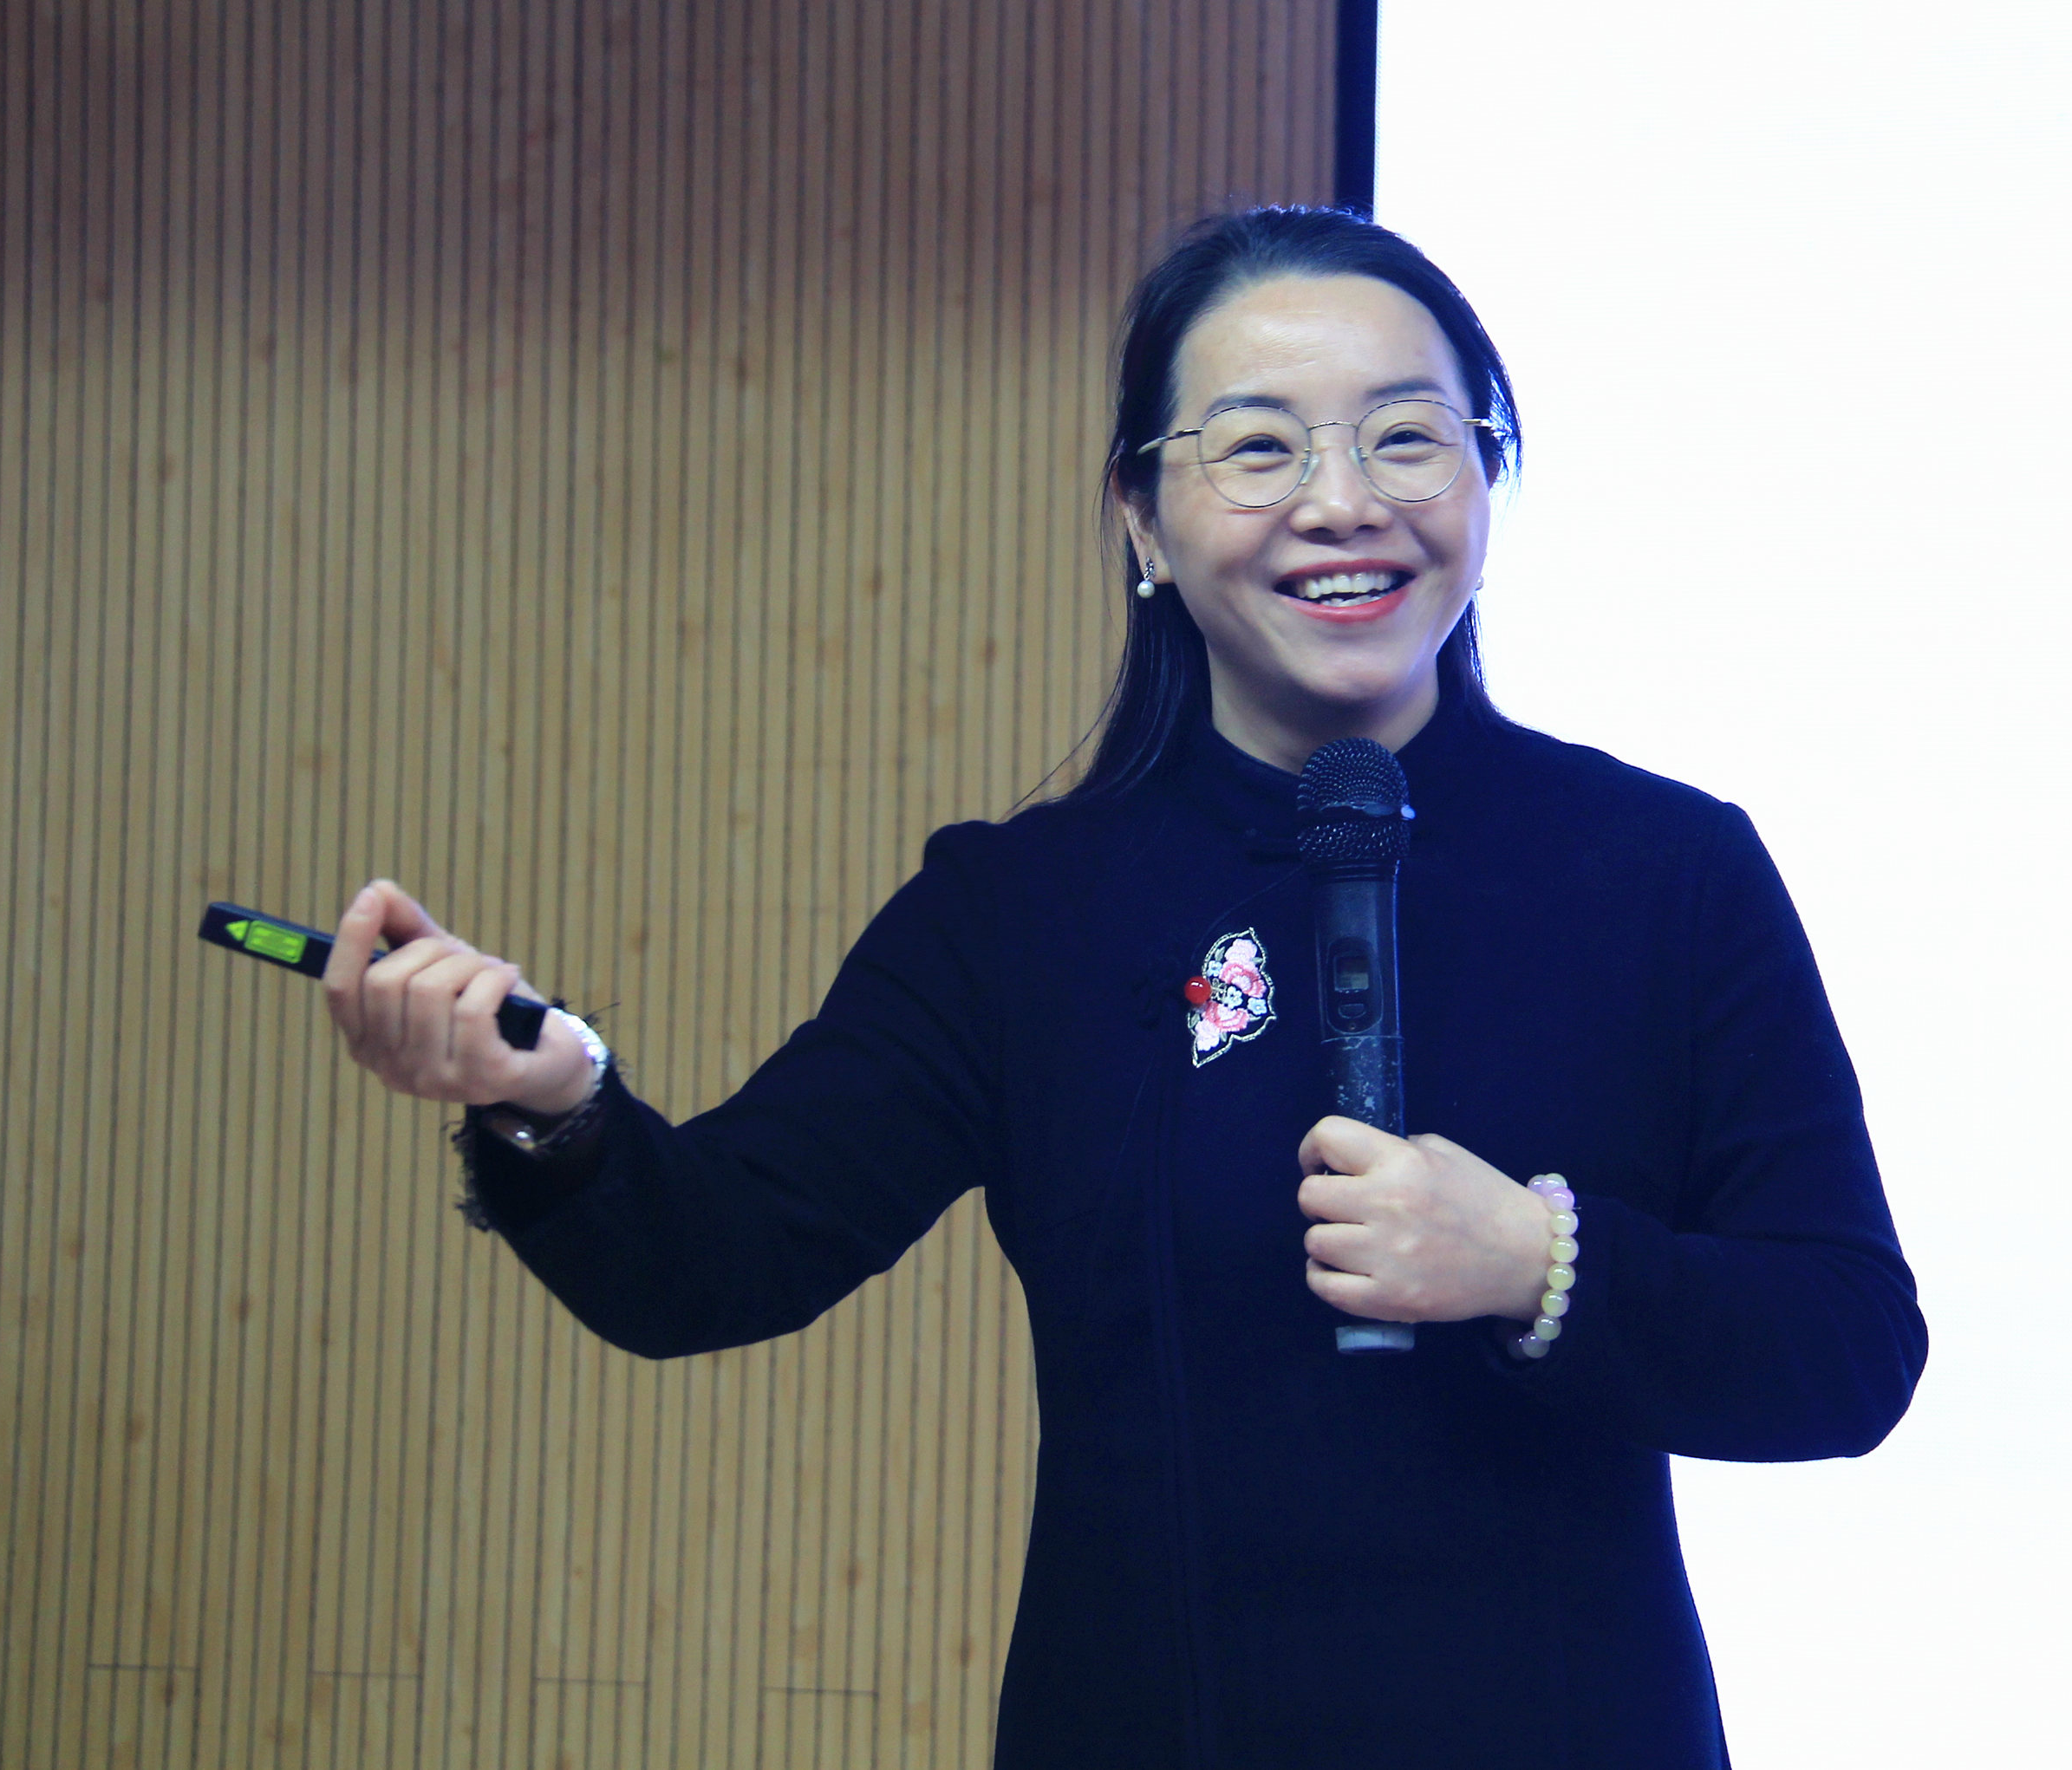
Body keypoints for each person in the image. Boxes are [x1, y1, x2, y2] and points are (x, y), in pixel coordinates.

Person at [324, 206, 1925, 1769]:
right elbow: (715, 1258)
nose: (1342, 502)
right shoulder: (1019, 910)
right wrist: (552, 1104)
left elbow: (1847, 1347)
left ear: (1487, 477)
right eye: (1256, 448)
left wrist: (1534, 1261)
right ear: (1143, 521)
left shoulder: (1664, 869)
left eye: (1407, 438)